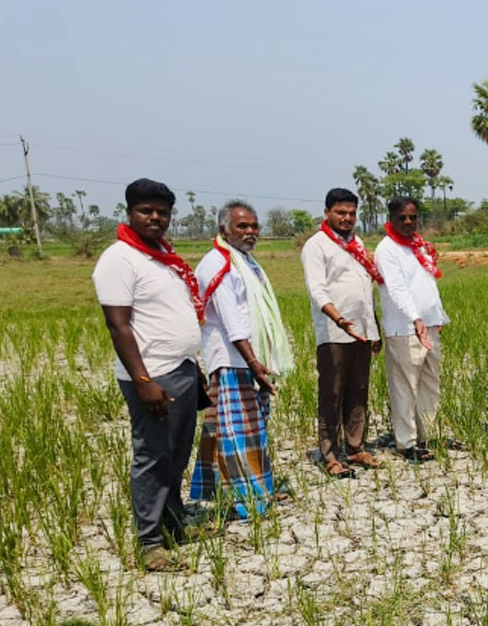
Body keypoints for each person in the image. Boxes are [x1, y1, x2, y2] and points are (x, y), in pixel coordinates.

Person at [92, 178, 205, 572]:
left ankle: (173, 523)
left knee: (176, 454)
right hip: (152, 376)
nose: (155, 217)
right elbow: (118, 326)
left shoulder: (160, 257)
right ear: (129, 212)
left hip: (181, 368)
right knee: (152, 456)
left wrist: (193, 365)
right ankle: (151, 543)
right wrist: (143, 382)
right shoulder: (120, 259)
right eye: (146, 210)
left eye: (162, 211)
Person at [191, 200, 294, 519]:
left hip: (249, 359)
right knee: (237, 432)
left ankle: (254, 489)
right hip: (232, 359)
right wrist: (253, 363)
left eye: (253, 226)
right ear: (224, 229)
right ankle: (247, 499)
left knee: (247, 427)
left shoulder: (244, 261)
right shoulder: (218, 263)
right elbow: (232, 321)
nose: (250, 232)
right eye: (242, 226)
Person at [301, 188, 383, 478]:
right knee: (332, 393)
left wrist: (374, 328)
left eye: (351, 213)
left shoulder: (357, 243)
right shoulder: (317, 245)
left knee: (358, 391)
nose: (347, 218)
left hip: (362, 331)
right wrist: (339, 319)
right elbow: (316, 289)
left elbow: (365, 289)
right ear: (327, 213)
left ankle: (355, 446)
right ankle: (330, 454)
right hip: (334, 333)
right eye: (341, 213)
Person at [375, 196, 450, 463]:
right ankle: (405, 443)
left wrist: (436, 316)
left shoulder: (418, 246)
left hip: (429, 325)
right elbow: (396, 289)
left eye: (412, 217)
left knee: (430, 382)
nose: (408, 222)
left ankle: (427, 435)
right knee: (405, 386)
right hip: (405, 328)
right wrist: (416, 319)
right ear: (391, 219)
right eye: (402, 218)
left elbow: (427, 284)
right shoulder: (387, 249)